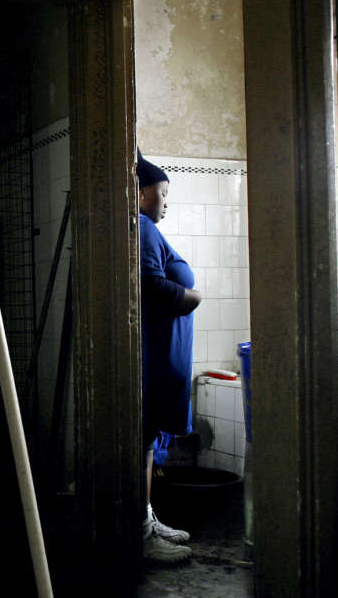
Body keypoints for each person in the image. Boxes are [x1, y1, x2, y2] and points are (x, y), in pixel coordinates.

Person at [137, 150, 202, 563]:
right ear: (142, 194)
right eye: (163, 192)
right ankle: (141, 536)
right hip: (154, 359)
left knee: (144, 443)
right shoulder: (142, 225)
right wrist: (192, 297)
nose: (166, 202)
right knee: (140, 442)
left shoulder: (144, 226)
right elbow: (150, 285)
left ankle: (144, 517)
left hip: (161, 358)